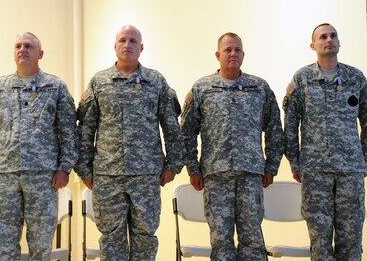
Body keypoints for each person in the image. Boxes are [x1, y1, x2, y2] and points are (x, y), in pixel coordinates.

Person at [74, 25, 185, 260]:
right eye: (122, 40)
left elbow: (171, 127)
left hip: (146, 175)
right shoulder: (99, 82)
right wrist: (84, 169)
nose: (127, 45)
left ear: (141, 48)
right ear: (115, 46)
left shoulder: (155, 82)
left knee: (145, 238)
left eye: (133, 41)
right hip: (107, 175)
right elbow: (86, 129)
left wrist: (173, 165)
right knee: (111, 239)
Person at [181, 32, 284, 261]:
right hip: (216, 175)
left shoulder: (259, 88)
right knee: (220, 241)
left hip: (251, 174)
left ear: (243, 55)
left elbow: (275, 128)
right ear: (218, 55)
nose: (233, 54)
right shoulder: (202, 89)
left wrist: (272, 166)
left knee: (253, 240)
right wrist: (193, 168)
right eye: (228, 50)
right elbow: (187, 132)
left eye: (237, 50)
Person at [283, 23, 367, 260]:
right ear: (313, 45)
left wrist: (364, 159)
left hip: (350, 171)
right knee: (320, 241)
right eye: (323, 37)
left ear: (339, 42)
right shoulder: (303, 79)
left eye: (333, 36)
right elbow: (290, 123)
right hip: (315, 170)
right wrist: (295, 162)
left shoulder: (355, 77)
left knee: (351, 240)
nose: (329, 40)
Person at [0, 32, 77, 260]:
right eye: (18, 46)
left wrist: (65, 167)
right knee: (5, 244)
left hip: (43, 176)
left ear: (40, 53)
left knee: (41, 246)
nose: (23, 49)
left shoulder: (55, 87)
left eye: (28, 46)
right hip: (5, 176)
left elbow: (68, 131)